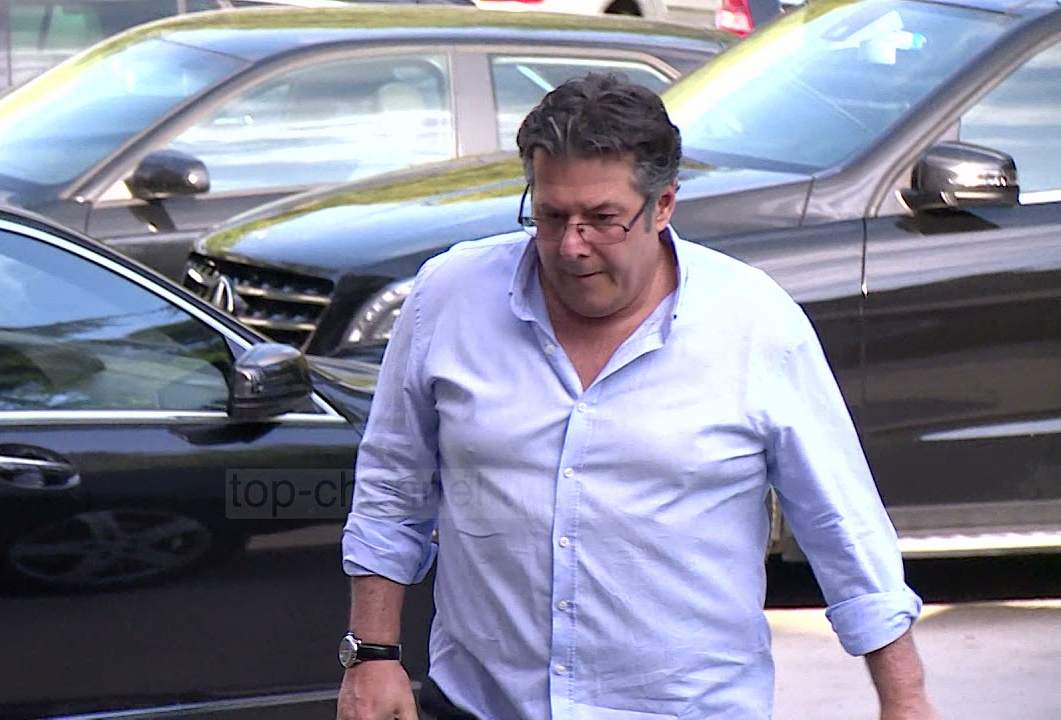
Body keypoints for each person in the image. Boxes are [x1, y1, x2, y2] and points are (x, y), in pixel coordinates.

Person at [337, 72, 939, 720]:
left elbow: (841, 524)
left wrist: (904, 698)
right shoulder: (447, 297)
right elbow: (394, 483)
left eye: (602, 220)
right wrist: (372, 653)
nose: (571, 246)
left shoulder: (755, 323)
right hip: (481, 705)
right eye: (550, 216)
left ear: (663, 205)